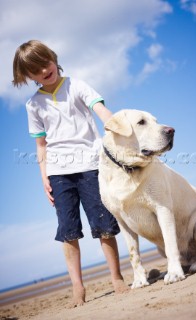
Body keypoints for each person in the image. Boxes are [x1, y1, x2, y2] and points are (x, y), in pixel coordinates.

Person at [12, 40, 129, 306]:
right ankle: (78, 287)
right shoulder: (33, 105)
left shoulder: (77, 85)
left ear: (53, 57)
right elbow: (41, 144)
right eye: (35, 69)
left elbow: (101, 111)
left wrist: (121, 128)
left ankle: (116, 277)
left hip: (90, 165)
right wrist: (44, 176)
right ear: (27, 76)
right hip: (58, 173)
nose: (43, 70)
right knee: (68, 230)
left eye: (45, 62)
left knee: (104, 225)